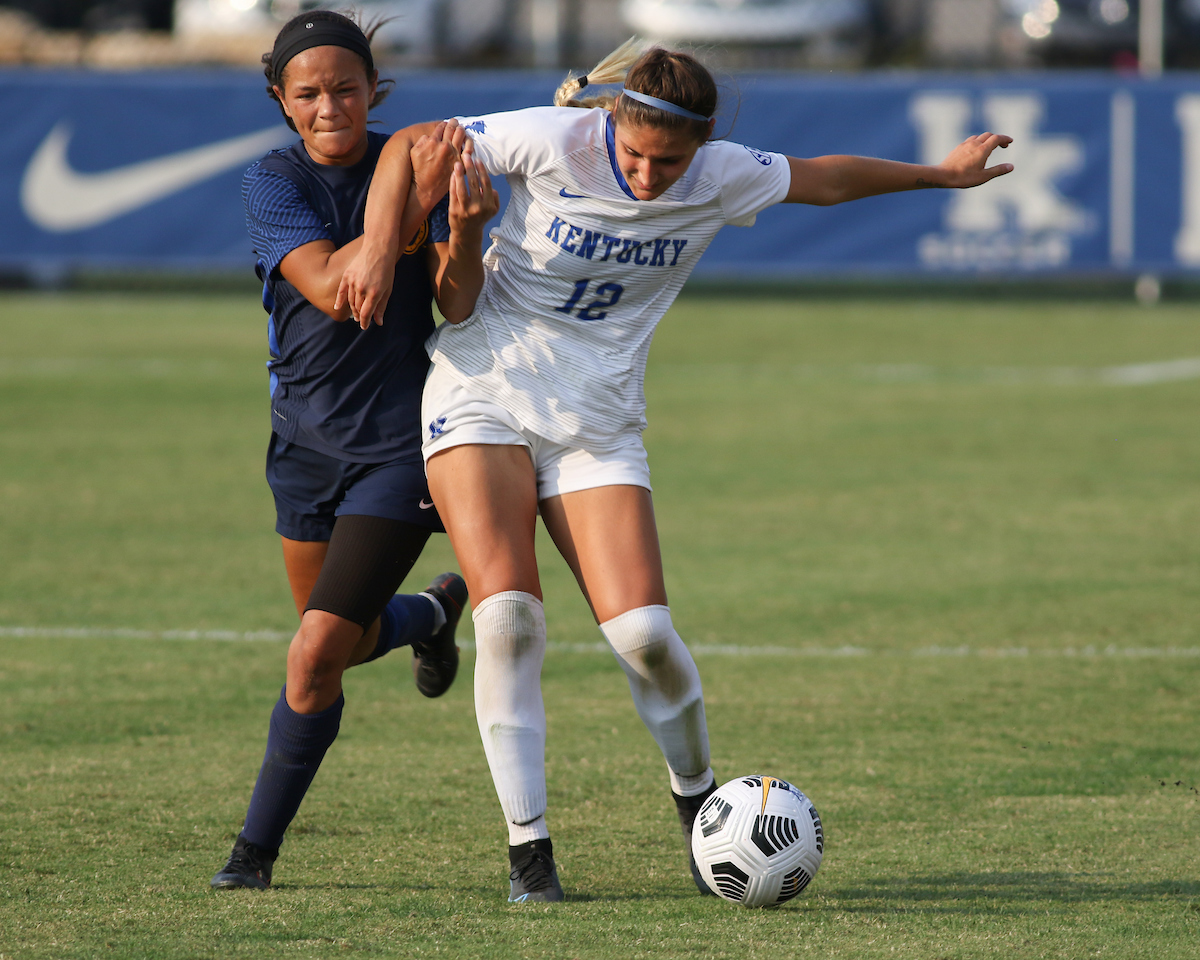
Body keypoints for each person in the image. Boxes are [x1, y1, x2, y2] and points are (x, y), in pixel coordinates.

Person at [340, 39, 1013, 903]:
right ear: (613, 124)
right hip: (482, 389)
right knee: (508, 619)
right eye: (635, 155)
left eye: (670, 161)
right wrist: (374, 247)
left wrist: (940, 176)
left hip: (599, 419)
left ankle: (701, 808)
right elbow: (408, 144)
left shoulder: (723, 175)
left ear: (702, 145)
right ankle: (529, 856)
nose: (649, 175)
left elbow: (826, 178)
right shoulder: (550, 139)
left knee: (645, 637)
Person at [209, 10, 499, 891]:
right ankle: (432, 617)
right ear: (280, 99)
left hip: (400, 449)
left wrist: (464, 231)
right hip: (302, 445)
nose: (329, 105)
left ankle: (252, 857)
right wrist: (401, 217)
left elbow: (456, 303)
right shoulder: (273, 180)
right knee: (345, 638)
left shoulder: (416, 160)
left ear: (375, 89)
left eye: (346, 88)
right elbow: (340, 292)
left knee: (313, 655)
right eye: (308, 93)